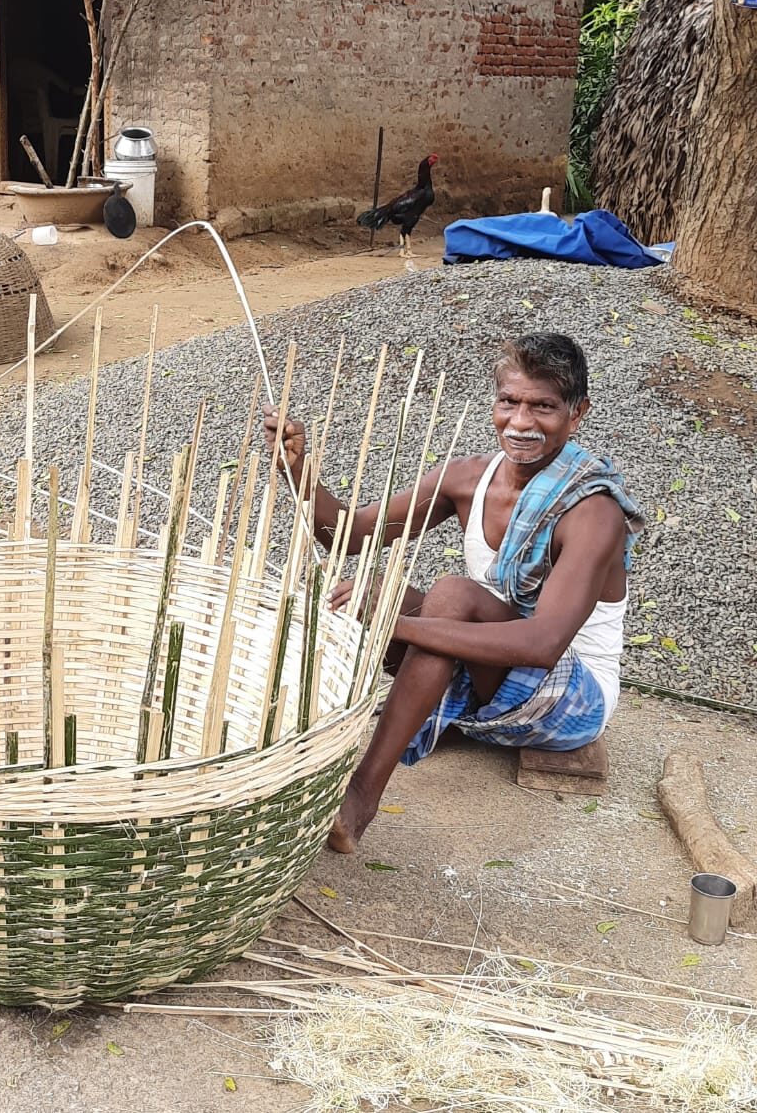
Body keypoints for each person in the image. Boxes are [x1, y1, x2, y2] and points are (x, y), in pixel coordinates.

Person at [262, 332, 643, 854]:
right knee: (370, 591)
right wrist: (299, 473)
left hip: (572, 702)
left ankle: (359, 799)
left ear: (577, 415)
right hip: (496, 667)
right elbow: (349, 536)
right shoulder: (465, 478)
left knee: (448, 596)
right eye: (509, 402)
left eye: (544, 407)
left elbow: (542, 644)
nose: (522, 423)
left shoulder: (594, 512)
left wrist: (397, 625)